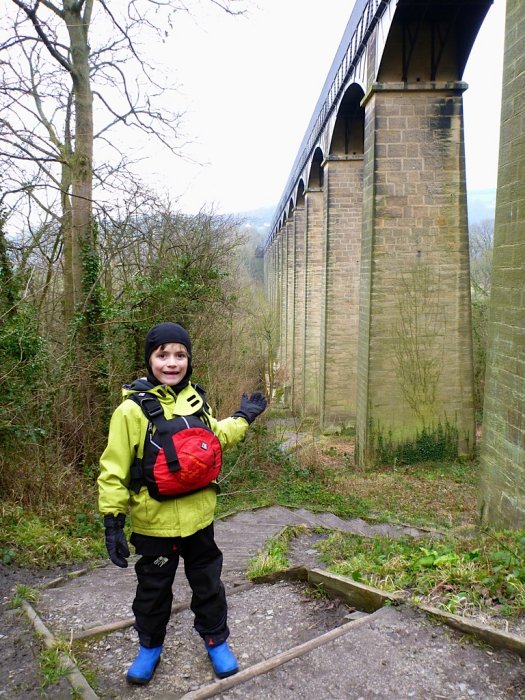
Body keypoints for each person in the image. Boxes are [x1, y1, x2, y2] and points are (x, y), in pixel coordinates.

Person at [98, 322, 267, 685]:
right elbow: (114, 469)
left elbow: (214, 439)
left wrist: (242, 418)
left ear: (189, 360)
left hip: (199, 518)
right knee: (153, 590)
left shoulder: (196, 401)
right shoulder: (130, 411)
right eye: (163, 355)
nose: (171, 363)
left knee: (208, 584)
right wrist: (112, 521)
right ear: (150, 359)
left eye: (180, 355)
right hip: (153, 523)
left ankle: (215, 640)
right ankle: (149, 648)